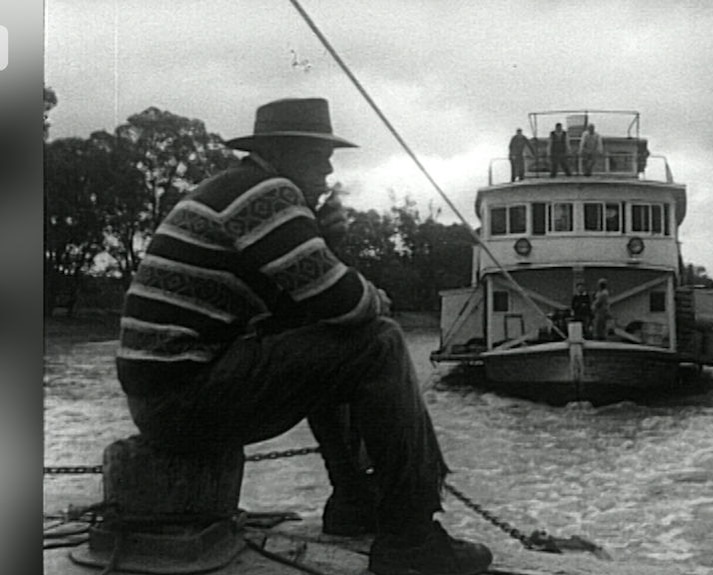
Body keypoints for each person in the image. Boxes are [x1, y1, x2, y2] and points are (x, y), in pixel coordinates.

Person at [115, 98, 492, 575]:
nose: (329, 168)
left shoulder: (235, 190)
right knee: (380, 342)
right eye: (318, 155)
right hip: (183, 402)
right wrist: (374, 293)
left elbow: (297, 315)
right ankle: (410, 534)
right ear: (284, 152)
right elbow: (346, 304)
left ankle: (356, 502)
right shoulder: (267, 195)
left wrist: (326, 245)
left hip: (166, 403)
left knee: (331, 340)